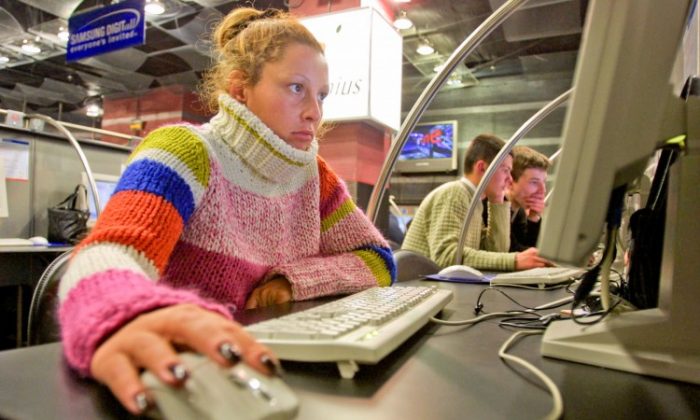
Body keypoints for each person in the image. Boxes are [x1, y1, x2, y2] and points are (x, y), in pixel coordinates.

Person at [57, 8, 395, 415]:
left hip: (278, 375)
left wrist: (293, 281)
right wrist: (122, 315)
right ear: (240, 90)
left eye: (321, 95)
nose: (315, 112)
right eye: (295, 88)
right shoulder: (186, 150)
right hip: (194, 377)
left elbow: (377, 260)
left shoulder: (314, 176)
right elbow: (107, 252)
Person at [401, 134, 549, 270]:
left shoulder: (475, 201)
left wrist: (497, 202)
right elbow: (446, 257)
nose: (509, 179)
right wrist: (514, 260)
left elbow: (496, 251)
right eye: (505, 170)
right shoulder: (455, 192)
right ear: (482, 167)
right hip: (419, 290)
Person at [506, 146, 550, 252]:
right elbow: (512, 250)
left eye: (543, 182)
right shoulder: (493, 207)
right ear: (510, 182)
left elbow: (527, 247)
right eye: (534, 182)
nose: (543, 190)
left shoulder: (519, 210)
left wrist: (533, 216)